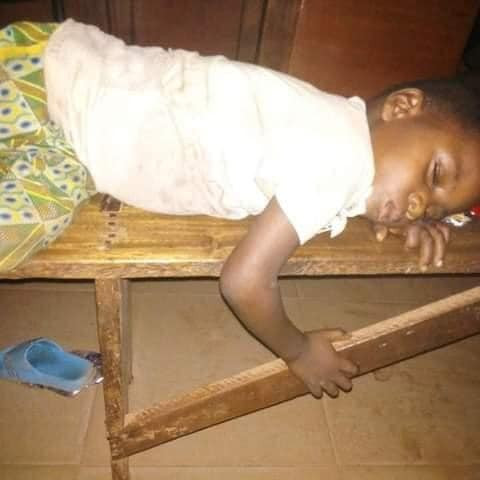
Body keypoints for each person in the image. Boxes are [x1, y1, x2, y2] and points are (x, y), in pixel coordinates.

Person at [42, 19, 480, 398]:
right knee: (21, 232)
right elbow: (244, 281)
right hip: (52, 106)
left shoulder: (337, 126)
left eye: (435, 211)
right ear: (402, 107)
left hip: (71, 67)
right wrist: (299, 351)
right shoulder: (340, 158)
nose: (421, 205)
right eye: (435, 174)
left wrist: (400, 214)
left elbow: (338, 180)